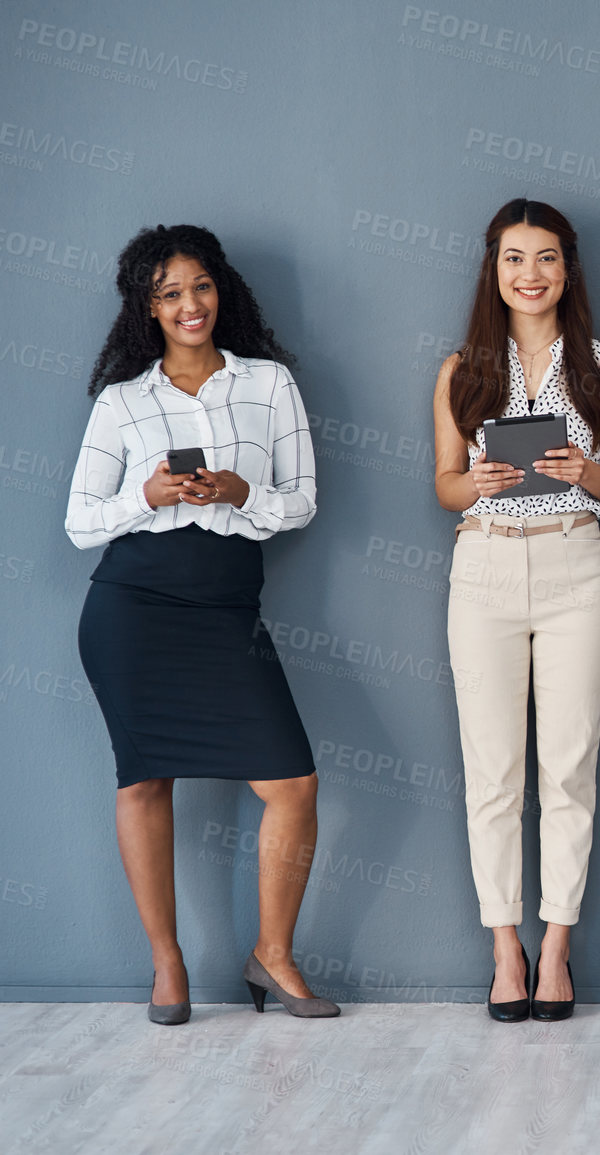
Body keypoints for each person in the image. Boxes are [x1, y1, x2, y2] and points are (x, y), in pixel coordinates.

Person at [68, 224, 336, 1023]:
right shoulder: (122, 401)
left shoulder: (269, 384)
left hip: (226, 610)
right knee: (145, 779)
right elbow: (82, 522)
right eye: (170, 293)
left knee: (292, 781)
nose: (190, 305)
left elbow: (304, 500)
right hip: (132, 608)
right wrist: (146, 498)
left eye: (201, 286)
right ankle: (167, 962)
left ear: (223, 289)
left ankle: (272, 954)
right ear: (147, 309)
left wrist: (237, 493)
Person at [432, 199, 600, 1023]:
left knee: (569, 767)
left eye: (546, 258)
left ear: (568, 268)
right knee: (491, 773)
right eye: (514, 259)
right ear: (493, 267)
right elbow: (442, 482)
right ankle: (503, 948)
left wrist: (584, 469)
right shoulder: (459, 369)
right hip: (481, 564)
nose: (530, 275)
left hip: (574, 562)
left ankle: (556, 948)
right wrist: (473, 482)